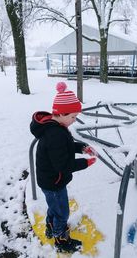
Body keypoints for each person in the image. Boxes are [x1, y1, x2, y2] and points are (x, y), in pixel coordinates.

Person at [30, 82, 98, 253]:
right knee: (62, 212)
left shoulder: (56, 127)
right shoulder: (55, 134)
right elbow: (63, 164)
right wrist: (85, 163)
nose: (74, 121)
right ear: (60, 113)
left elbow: (65, 147)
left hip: (50, 179)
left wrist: (81, 147)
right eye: (73, 117)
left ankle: (51, 227)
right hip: (54, 182)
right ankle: (61, 239)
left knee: (55, 208)